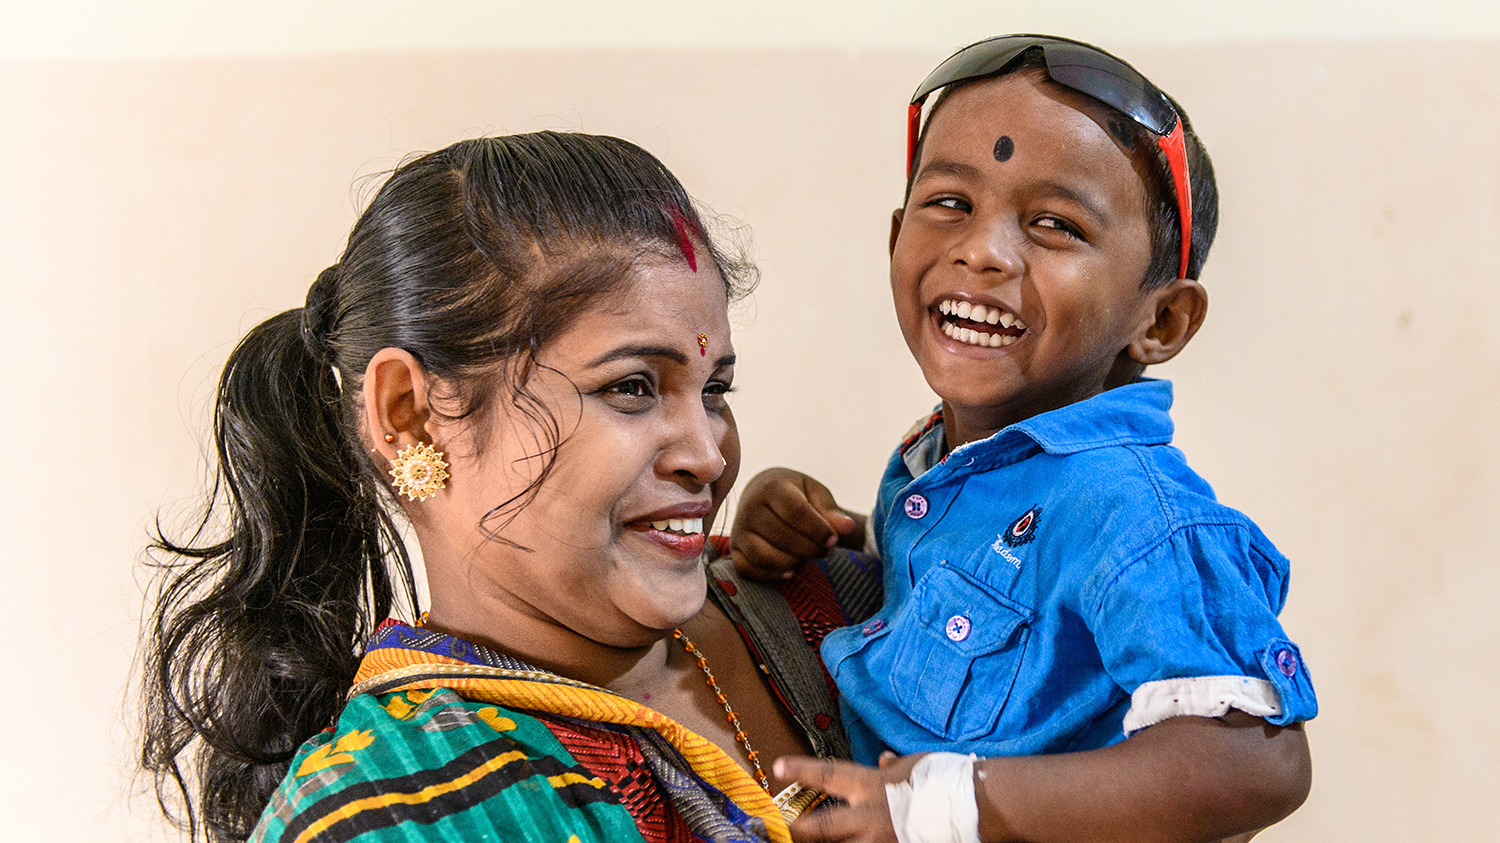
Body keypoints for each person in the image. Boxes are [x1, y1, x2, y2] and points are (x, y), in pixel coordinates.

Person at [139, 132, 882, 843]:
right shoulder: (390, 813)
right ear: (413, 417)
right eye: (631, 386)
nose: (709, 454)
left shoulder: (832, 608)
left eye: (715, 389)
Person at [729, 36, 1316, 843]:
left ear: (1162, 319)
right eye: (950, 204)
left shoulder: (1135, 516)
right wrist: (810, 522)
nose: (981, 250)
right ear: (896, 235)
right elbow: (992, 609)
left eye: (1053, 224)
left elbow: (1258, 765)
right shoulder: (953, 458)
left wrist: (937, 808)